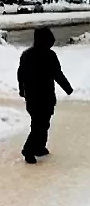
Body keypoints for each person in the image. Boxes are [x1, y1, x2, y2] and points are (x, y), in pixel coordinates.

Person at [17, 27, 74, 164]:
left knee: (42, 123)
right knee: (39, 124)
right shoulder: (48, 55)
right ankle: (28, 150)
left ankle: (39, 147)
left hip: (38, 96)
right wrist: (68, 88)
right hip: (40, 96)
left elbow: (20, 75)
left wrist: (22, 90)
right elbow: (57, 74)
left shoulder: (29, 55)